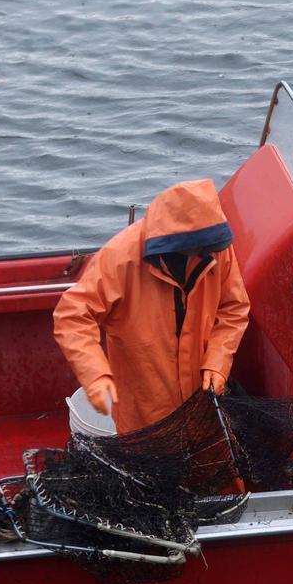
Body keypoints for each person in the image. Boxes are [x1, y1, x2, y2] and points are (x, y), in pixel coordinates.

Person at [54, 178, 251, 434]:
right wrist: (96, 374)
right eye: (199, 248)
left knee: (216, 469)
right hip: (145, 406)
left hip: (202, 399)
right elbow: (73, 316)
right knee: (151, 467)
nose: (206, 253)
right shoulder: (119, 258)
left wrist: (218, 362)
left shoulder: (216, 247)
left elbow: (234, 309)